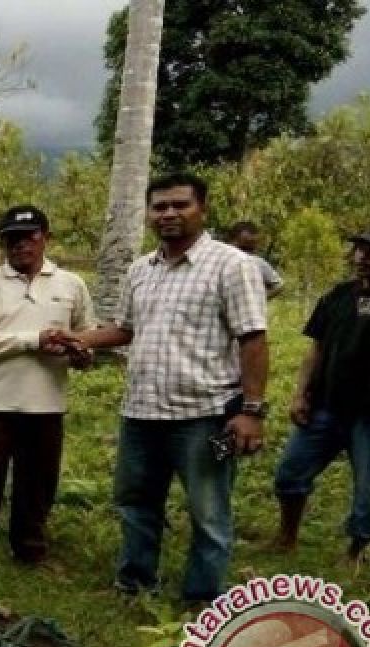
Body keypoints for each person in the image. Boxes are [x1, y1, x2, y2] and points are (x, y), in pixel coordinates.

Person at [62, 173, 269, 605]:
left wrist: (251, 411)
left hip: (204, 415)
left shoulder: (232, 265)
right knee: (135, 504)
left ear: (202, 209)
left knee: (209, 514)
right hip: (141, 413)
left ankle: (202, 598)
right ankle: (135, 583)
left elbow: (253, 337)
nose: (169, 214)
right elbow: (124, 330)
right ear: (149, 213)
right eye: (160, 207)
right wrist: (75, 338)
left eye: (180, 205)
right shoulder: (141, 269)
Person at [0, 206, 95, 577]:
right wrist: (33, 341)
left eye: (29, 236)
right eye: (12, 237)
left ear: (46, 237)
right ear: (2, 243)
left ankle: (30, 549)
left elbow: (87, 335)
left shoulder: (71, 284)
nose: (21, 244)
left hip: (45, 402)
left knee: (38, 483)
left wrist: (81, 354)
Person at [270, 225, 370, 563]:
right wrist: (300, 394)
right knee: (290, 473)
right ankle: (287, 537)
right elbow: (316, 348)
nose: (363, 257)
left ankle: (355, 553)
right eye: (360, 249)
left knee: (368, 492)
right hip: (326, 406)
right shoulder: (339, 295)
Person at [227, 221, 284, 298]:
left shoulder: (258, 263)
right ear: (232, 241)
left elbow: (278, 285)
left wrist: (259, 299)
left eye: (250, 248)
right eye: (243, 246)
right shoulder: (220, 261)